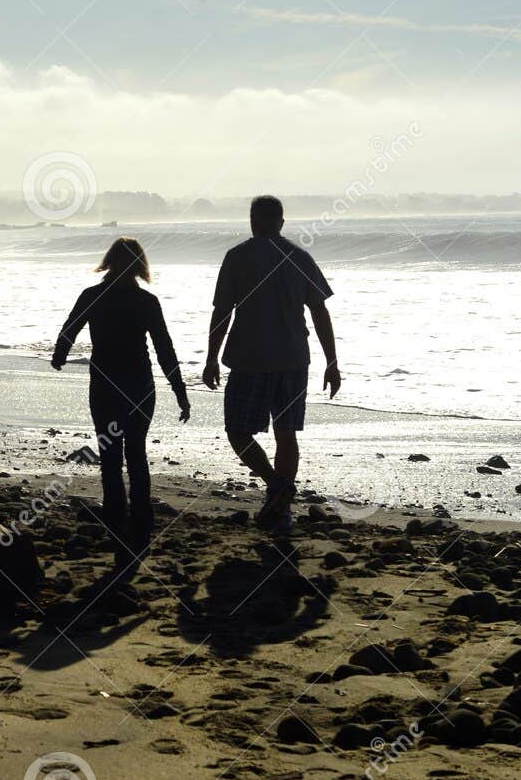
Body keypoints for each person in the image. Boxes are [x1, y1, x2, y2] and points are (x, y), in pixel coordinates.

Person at [202, 195, 340, 535]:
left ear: (253, 220)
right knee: (286, 434)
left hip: (250, 360)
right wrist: (332, 362)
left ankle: (276, 489)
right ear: (281, 221)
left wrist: (210, 358)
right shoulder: (299, 257)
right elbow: (319, 312)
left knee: (238, 431)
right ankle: (279, 497)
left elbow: (223, 311)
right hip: (293, 359)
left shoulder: (237, 257)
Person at [52, 237, 190, 566]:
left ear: (109, 261)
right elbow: (164, 348)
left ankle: (117, 526)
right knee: (137, 453)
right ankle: (141, 525)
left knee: (110, 458)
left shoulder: (92, 296)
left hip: (104, 387)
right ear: (140, 265)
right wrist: (180, 391)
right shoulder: (146, 301)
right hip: (140, 386)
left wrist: (59, 356)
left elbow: (69, 330)